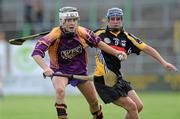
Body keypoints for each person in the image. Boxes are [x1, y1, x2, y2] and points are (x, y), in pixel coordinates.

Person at [31, 6, 127, 119]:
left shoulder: (83, 32)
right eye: (68, 20)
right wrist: (46, 68)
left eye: (74, 20)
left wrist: (116, 53)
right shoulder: (53, 35)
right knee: (60, 90)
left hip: (80, 73)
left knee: (94, 103)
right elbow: (36, 53)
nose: (72, 23)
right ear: (62, 21)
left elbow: (100, 44)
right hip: (60, 72)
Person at [93, 7, 178, 119]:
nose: (115, 21)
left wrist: (164, 62)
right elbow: (82, 45)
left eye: (118, 18)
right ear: (108, 20)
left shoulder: (127, 37)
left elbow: (147, 48)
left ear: (122, 20)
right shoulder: (98, 34)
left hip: (117, 78)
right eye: (112, 19)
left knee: (138, 106)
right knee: (132, 107)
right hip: (104, 80)